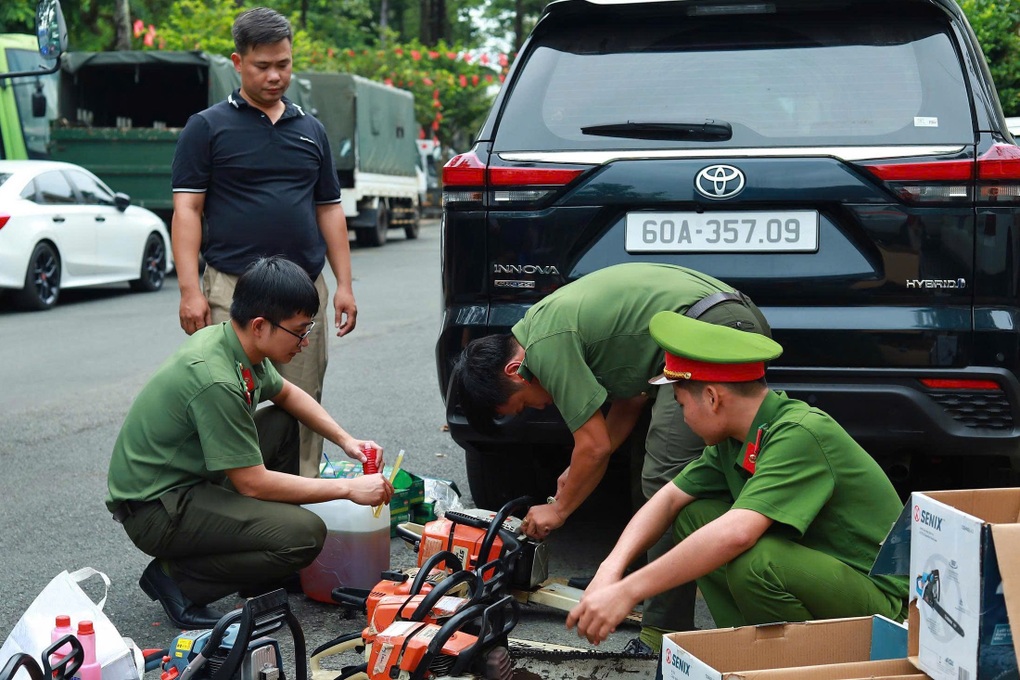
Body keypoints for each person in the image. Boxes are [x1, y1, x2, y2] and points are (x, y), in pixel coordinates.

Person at [451, 262, 771, 652]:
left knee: (665, 478)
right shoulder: (543, 330)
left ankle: (663, 631)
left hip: (713, 326)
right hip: (709, 322)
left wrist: (559, 509)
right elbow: (629, 402)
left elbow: (595, 446)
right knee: (646, 469)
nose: (538, 407)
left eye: (523, 405)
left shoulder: (545, 344)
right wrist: (575, 471)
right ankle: (630, 580)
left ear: (515, 370)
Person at [566, 312, 909, 647]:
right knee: (694, 518)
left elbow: (737, 533)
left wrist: (628, 591)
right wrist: (610, 569)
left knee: (756, 563)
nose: (682, 418)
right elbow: (668, 500)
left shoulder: (799, 432)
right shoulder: (736, 439)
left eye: (681, 405)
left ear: (712, 398)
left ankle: (791, 662)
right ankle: (747, 646)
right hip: (828, 579)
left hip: (884, 606)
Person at [106, 256, 393, 629]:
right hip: (156, 510)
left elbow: (287, 393)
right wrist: (349, 489)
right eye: (299, 331)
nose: (305, 342)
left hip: (188, 483)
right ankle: (177, 581)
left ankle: (263, 570)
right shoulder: (216, 378)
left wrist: (347, 441)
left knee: (283, 421)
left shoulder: (235, 342)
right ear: (260, 325)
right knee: (305, 536)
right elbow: (253, 484)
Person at [171, 6, 356, 479]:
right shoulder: (206, 127)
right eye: (262, 66)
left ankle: (304, 492)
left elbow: (329, 209)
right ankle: (227, 496)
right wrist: (190, 290)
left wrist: (344, 285)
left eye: (283, 64)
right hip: (232, 287)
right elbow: (187, 210)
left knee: (304, 398)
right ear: (238, 62)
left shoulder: (311, 130)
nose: (275, 76)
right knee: (229, 396)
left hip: (302, 292)